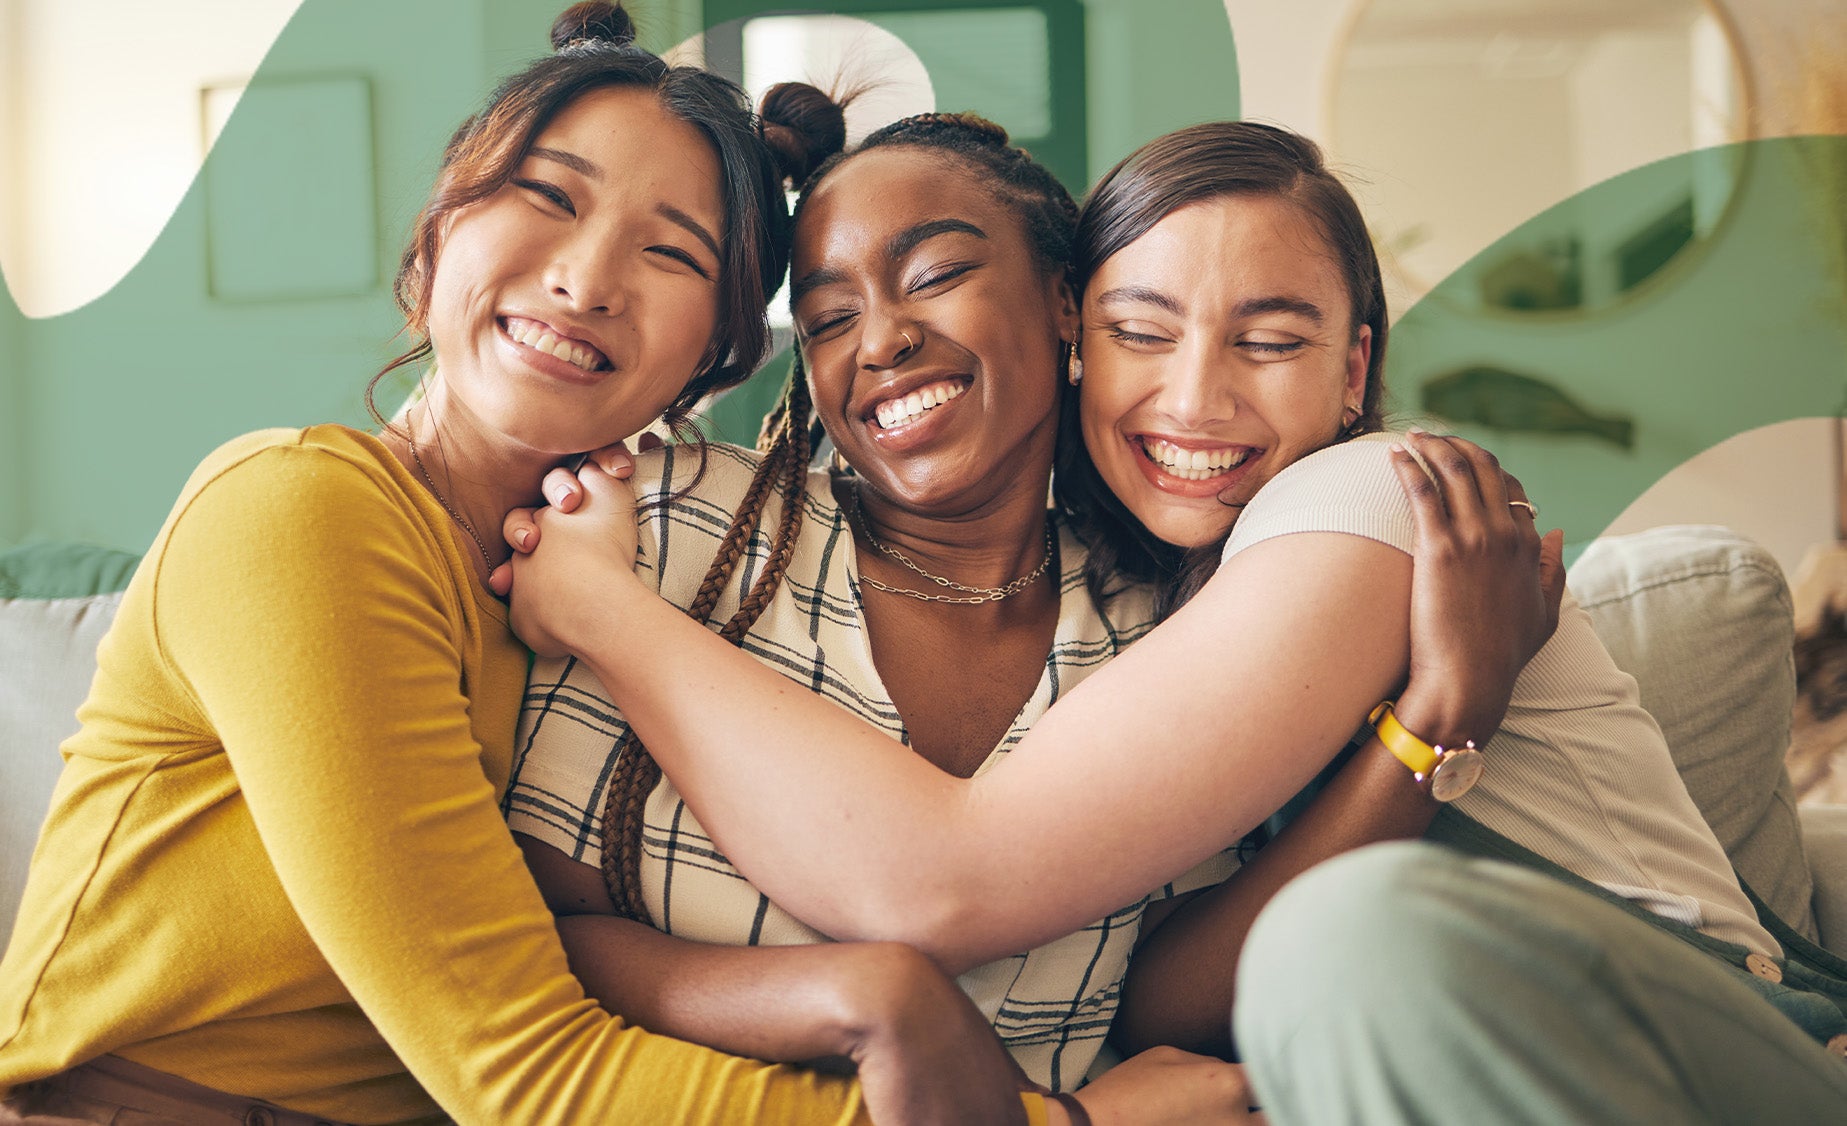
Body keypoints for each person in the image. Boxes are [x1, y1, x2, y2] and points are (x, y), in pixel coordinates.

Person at [498, 119, 1829, 1115]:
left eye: (1266, 341)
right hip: (1413, 1041)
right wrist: (1427, 725)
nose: (1194, 396)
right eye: (1148, 331)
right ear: (1094, 330)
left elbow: (941, 881)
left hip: (1679, 1023)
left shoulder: (1372, 503)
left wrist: (610, 614)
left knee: (1346, 934)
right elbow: (1167, 995)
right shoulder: (1162, 604)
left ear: (1351, 365)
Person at [0, 7, 1082, 1124]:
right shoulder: (301, 508)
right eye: (549, 196)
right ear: (434, 241)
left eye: (671, 252)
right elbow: (522, 1071)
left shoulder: (608, 566)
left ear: (705, 365)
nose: (586, 279)